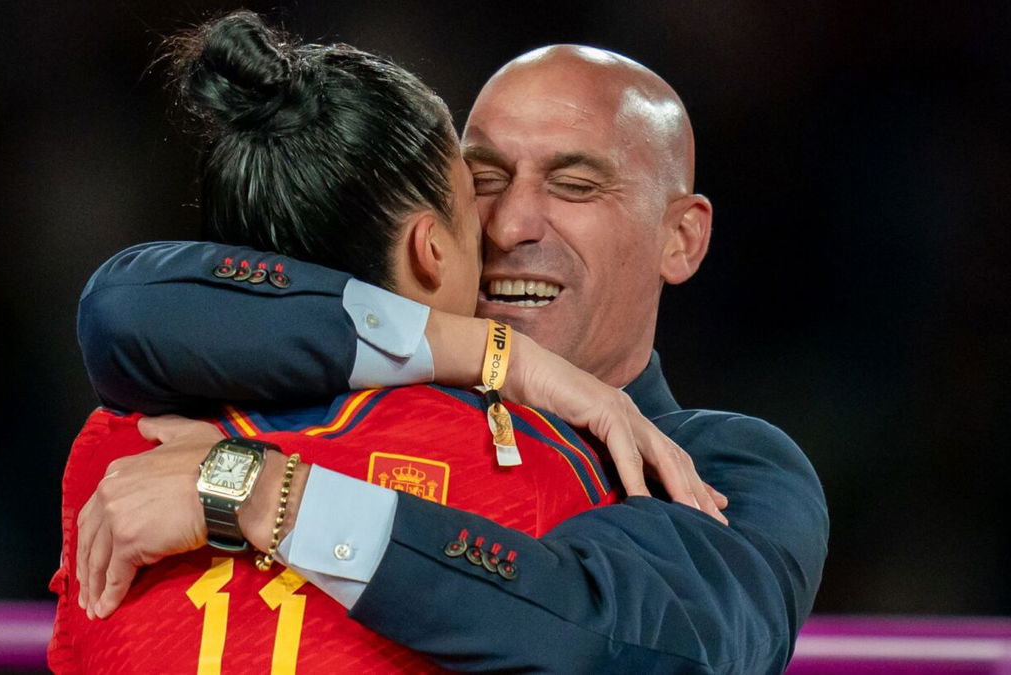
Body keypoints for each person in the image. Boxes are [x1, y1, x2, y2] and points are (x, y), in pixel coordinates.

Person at [76, 36, 828, 675]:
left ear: (681, 238)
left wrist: (271, 493)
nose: (508, 225)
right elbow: (123, 305)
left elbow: (615, 639)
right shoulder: (297, 390)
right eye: (483, 182)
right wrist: (492, 353)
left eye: (573, 183)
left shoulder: (723, 465)